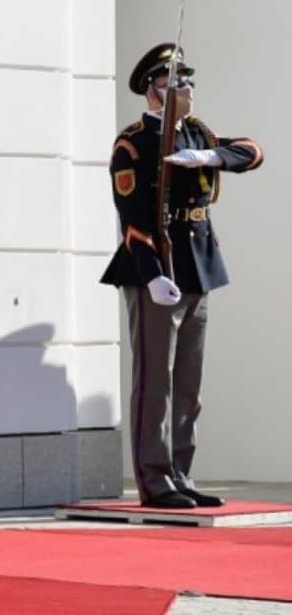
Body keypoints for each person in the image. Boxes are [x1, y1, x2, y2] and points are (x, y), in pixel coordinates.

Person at [101, 44, 263, 509]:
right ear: (152, 91)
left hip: (197, 265)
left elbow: (252, 151)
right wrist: (151, 274)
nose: (185, 89)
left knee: (188, 383)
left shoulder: (196, 132)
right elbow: (132, 216)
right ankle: (154, 479)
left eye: (188, 81)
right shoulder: (134, 142)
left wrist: (210, 159)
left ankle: (181, 473)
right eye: (174, 82)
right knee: (157, 381)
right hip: (156, 267)